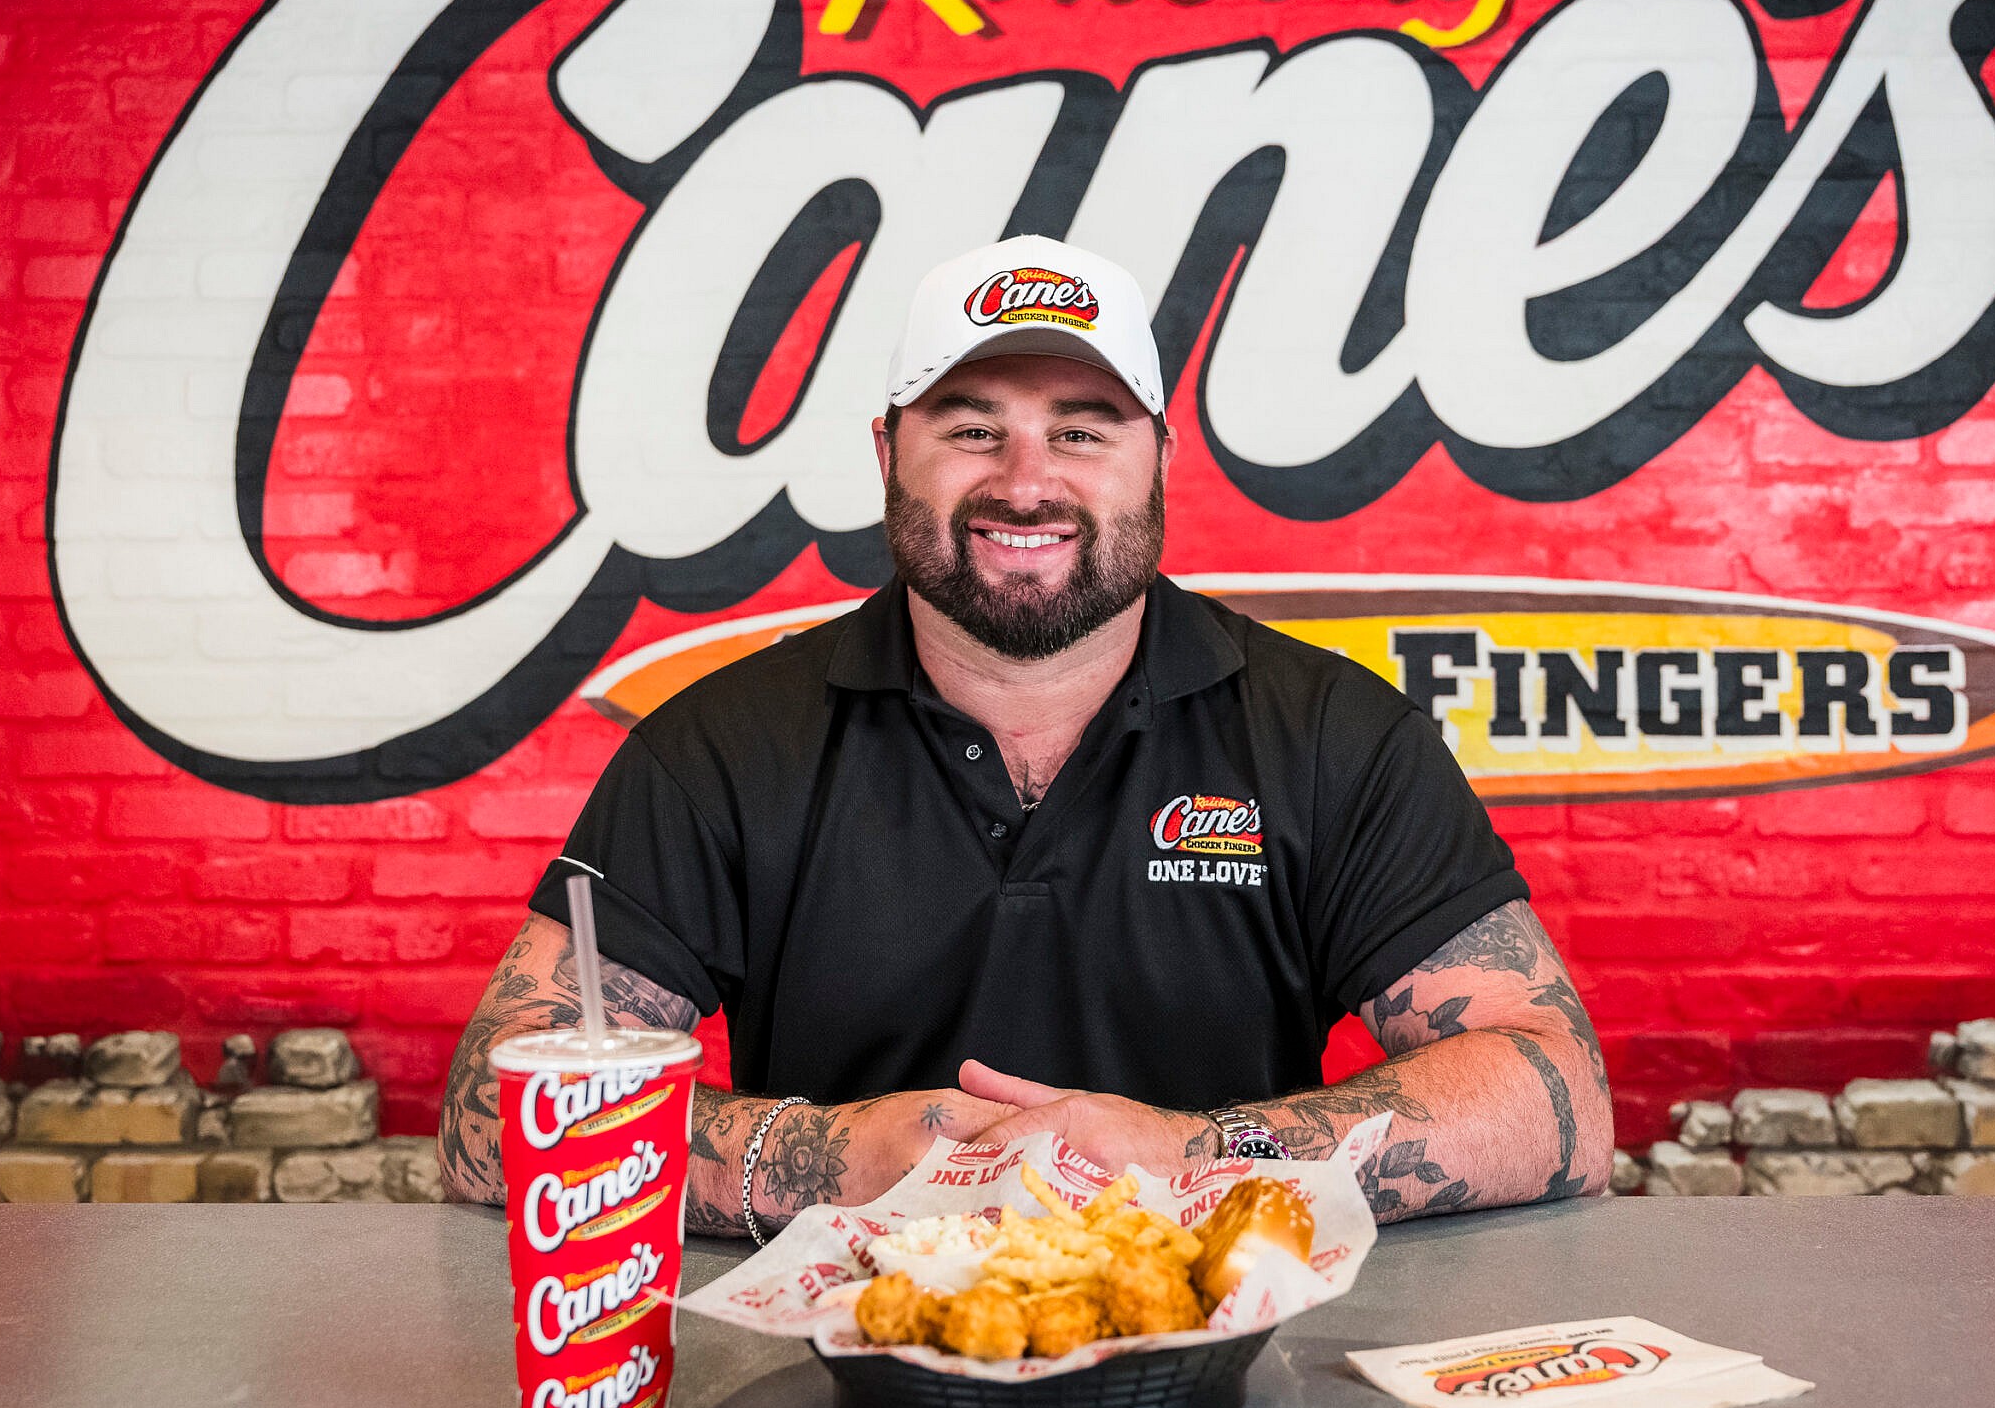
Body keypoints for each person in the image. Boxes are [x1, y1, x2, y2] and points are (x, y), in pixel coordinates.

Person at [440, 235, 1612, 1232]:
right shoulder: (715, 749)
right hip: (827, 1372)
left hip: (1244, 1364)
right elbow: (492, 1124)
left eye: (1084, 431)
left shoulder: (1331, 735)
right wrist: (827, 1162)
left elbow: (1556, 1094)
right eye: (970, 428)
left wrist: (1195, 1161)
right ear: (885, 453)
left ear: (1158, 460)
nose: (1026, 481)